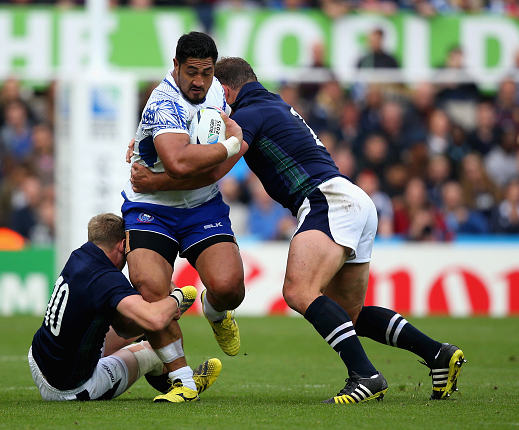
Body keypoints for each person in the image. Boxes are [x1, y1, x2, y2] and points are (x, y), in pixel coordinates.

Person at [130, 57, 466, 404]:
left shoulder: (247, 114)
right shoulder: (273, 103)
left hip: (325, 200)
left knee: (298, 291)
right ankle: (438, 354)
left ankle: (365, 376)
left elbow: (215, 170)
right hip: (352, 199)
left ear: (226, 89)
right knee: (349, 315)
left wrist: (154, 179)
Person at [121, 31, 245, 402]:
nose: (198, 81)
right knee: (150, 292)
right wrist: (230, 146)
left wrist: (229, 151)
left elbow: (210, 168)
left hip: (201, 205)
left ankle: (214, 311)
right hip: (151, 210)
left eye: (206, 73)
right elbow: (177, 162)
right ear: (175, 66)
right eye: (191, 71)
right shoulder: (163, 102)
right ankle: (184, 381)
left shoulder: (218, 93)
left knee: (229, 288)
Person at [29, 213, 222, 402]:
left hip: (40, 359)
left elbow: (123, 328)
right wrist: (177, 297)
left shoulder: (79, 255)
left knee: (139, 323)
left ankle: (164, 315)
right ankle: (181, 383)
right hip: (69, 388)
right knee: (156, 345)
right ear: (123, 245)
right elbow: (155, 320)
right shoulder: (106, 278)